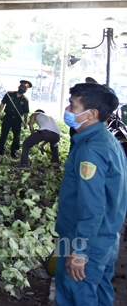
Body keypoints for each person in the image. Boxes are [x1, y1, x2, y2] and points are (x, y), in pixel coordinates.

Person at [54, 83, 127, 306]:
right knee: (100, 292)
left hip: (84, 240)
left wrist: (78, 251)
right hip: (106, 238)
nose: (67, 109)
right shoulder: (108, 141)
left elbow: (91, 206)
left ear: (92, 113)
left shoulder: (90, 150)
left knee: (75, 294)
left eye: (73, 106)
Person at [0, 79, 31, 158]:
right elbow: (2, 103)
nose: (23, 89)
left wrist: (26, 122)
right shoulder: (9, 94)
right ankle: (0, 151)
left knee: (17, 137)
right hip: (7, 117)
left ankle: (13, 152)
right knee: (4, 134)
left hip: (17, 120)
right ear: (19, 86)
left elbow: (26, 112)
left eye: (25, 89)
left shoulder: (25, 100)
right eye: (22, 87)